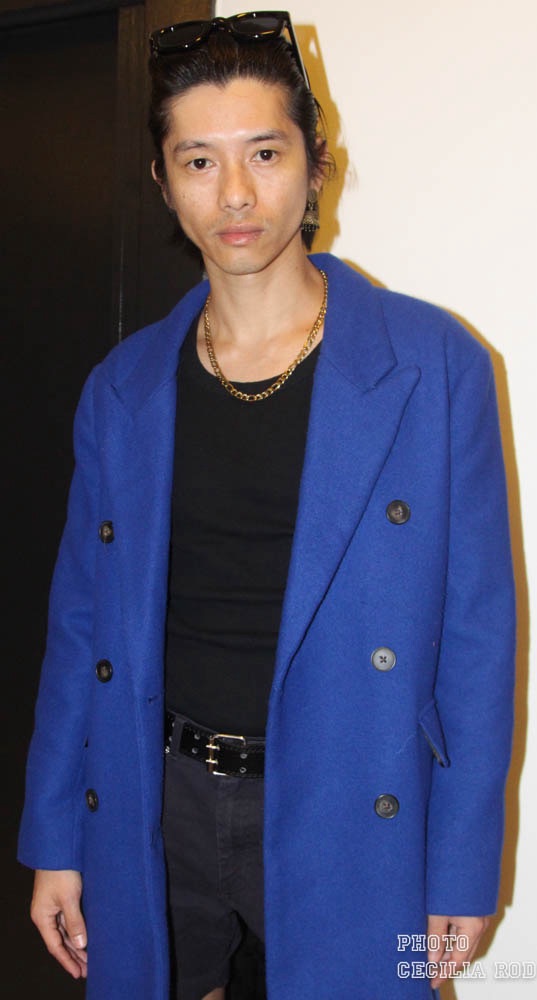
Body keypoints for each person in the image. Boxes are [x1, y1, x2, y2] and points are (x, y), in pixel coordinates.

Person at [18, 11, 515, 1000]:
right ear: (163, 181)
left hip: (353, 797)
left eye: (264, 152)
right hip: (156, 798)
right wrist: (54, 838)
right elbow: (79, 628)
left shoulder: (435, 365)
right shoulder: (122, 389)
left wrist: (462, 867)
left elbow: (478, 636)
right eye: (198, 161)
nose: (235, 194)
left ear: (316, 165)